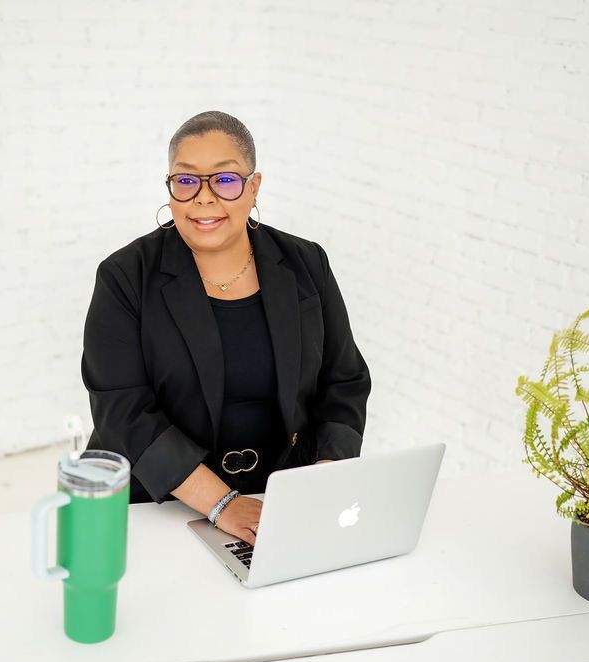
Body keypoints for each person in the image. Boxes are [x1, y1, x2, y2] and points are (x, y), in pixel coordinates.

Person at [80, 110, 371, 546]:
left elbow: (343, 382)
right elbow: (122, 411)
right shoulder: (125, 276)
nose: (204, 198)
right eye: (186, 180)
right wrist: (222, 504)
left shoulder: (306, 264)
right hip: (155, 503)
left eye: (226, 180)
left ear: (254, 188)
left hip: (276, 503)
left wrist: (324, 478)